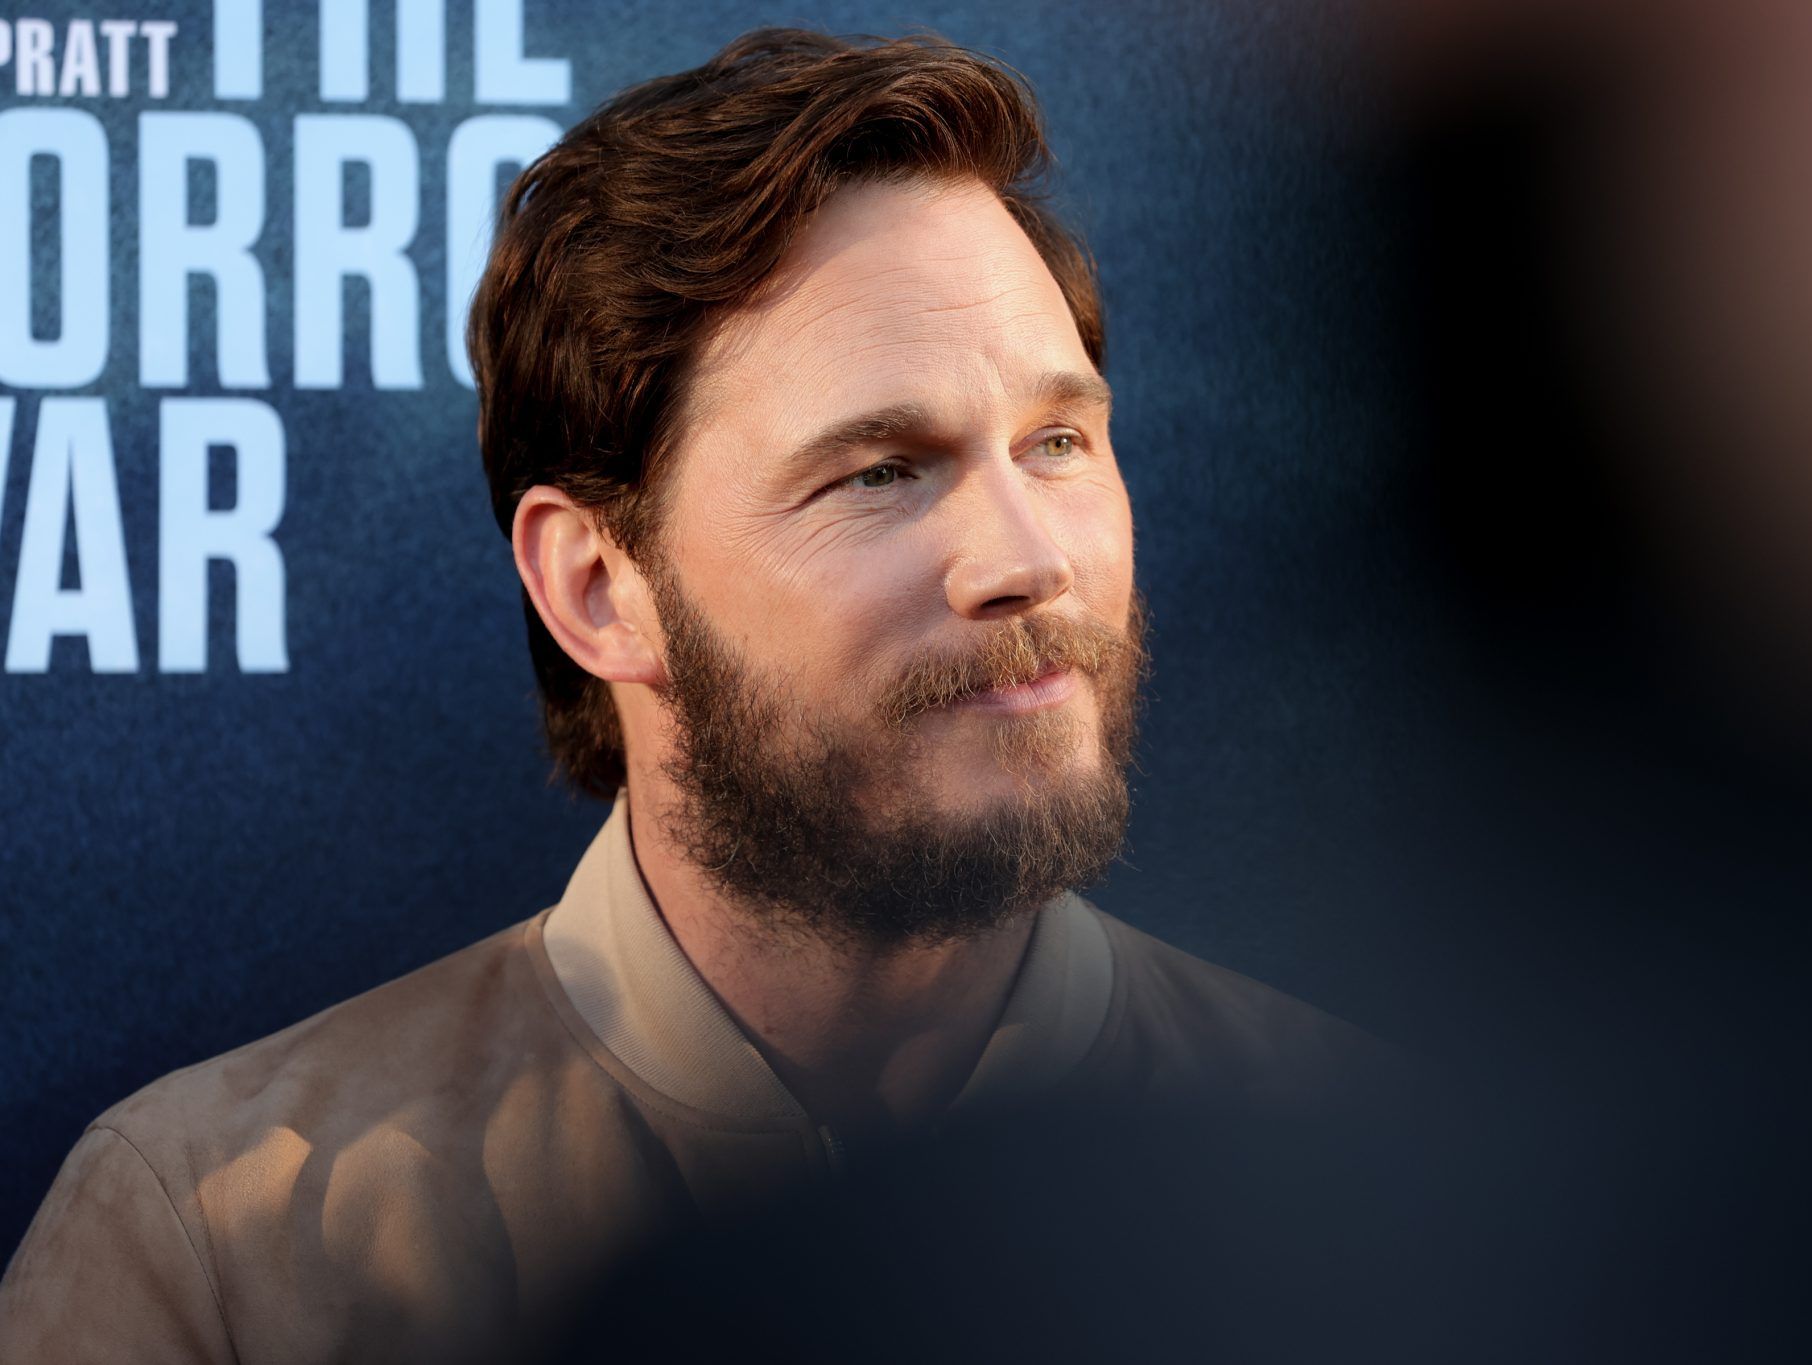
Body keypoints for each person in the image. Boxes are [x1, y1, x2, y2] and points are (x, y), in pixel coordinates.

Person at [0, 28, 1402, 1364]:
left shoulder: (1388, 1184)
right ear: (598, 587)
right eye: (880, 472)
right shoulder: (218, 1249)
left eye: (1058, 441)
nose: (1029, 561)